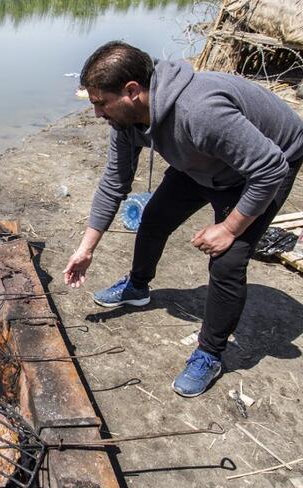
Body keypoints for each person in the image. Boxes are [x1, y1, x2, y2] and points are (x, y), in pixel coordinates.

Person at [63, 41, 303, 397]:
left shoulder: (200, 111)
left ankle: (210, 353)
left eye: (100, 103)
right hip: (202, 160)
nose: (97, 113)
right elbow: (114, 182)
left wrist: (228, 228)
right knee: (155, 217)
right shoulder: (126, 122)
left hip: (265, 164)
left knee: (227, 261)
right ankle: (137, 287)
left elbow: (269, 169)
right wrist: (86, 249)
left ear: (132, 91)